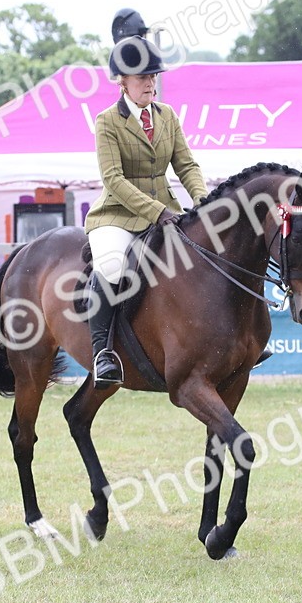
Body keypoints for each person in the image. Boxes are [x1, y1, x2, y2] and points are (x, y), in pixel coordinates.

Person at [83, 35, 210, 388]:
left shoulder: (166, 115)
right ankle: (102, 353)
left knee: (202, 255)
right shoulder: (107, 121)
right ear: (122, 81)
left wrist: (203, 202)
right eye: (143, 78)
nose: (150, 83)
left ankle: (219, 341)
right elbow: (113, 179)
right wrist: (156, 211)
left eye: (154, 76)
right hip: (118, 214)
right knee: (110, 265)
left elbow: (186, 165)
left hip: (167, 210)